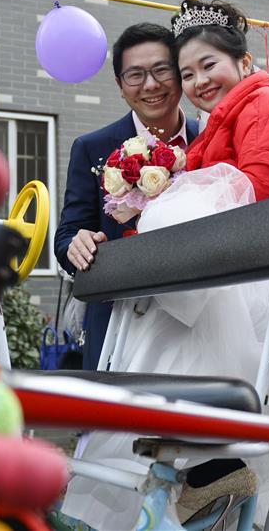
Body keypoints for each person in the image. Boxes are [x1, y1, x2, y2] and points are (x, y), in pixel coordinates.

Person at [61, 0, 269, 529]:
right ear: (120, 84)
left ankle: (212, 458)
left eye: (200, 67)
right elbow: (73, 227)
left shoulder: (259, 110)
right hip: (206, 272)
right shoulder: (162, 134)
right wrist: (84, 238)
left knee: (190, 333)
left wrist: (172, 207)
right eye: (185, 72)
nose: (187, 82)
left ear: (244, 63)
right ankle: (193, 464)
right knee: (161, 347)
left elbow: (259, 192)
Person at [54, 23, 199, 369]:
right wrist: (76, 244)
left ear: (179, 75)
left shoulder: (210, 140)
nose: (150, 85)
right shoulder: (92, 148)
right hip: (120, 325)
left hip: (197, 320)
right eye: (135, 75)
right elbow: (66, 236)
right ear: (120, 86)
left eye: (161, 70)